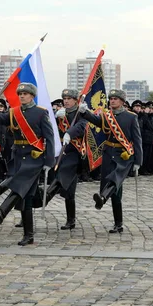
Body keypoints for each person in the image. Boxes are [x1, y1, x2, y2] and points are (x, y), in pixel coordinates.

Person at [0, 83, 54, 245]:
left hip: (34, 157)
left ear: (32, 96)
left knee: (19, 184)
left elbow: (49, 138)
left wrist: (49, 161)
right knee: (26, 197)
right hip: (18, 156)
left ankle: (2, 210)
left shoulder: (40, 113)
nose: (22, 96)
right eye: (20, 93)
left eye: (25, 93)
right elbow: (1, 118)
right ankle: (28, 235)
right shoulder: (14, 112)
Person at [78, 89, 142, 233]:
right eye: (111, 98)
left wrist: (138, 160)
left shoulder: (131, 117)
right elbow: (95, 121)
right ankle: (116, 220)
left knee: (115, 179)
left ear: (122, 101)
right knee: (112, 185)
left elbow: (137, 140)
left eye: (115, 99)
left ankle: (103, 199)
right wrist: (84, 112)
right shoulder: (106, 115)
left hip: (123, 154)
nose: (112, 101)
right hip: (108, 153)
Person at [45, 88, 86, 230]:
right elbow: (50, 130)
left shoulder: (80, 113)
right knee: (69, 189)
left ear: (76, 100)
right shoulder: (60, 114)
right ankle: (71, 220)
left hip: (75, 152)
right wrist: (55, 117)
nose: (66, 101)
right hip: (61, 152)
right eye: (65, 99)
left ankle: (46, 196)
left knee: (64, 174)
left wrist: (70, 132)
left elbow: (82, 126)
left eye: (69, 99)